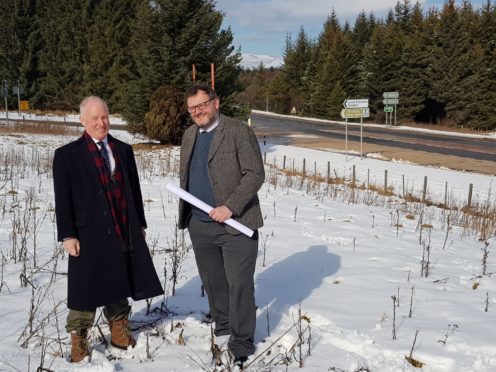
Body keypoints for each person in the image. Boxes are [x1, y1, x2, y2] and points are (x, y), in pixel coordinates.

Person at [53, 96, 163, 363]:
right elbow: (62, 199)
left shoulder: (123, 150)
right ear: (82, 121)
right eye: (94, 118)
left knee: (119, 276)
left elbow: (134, 191)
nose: (101, 123)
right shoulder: (67, 155)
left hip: (121, 224)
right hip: (86, 232)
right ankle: (79, 338)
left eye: (104, 117)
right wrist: (68, 234)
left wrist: (140, 225)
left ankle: (119, 330)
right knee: (84, 285)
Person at [178, 82, 265, 368]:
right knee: (213, 282)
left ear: (216, 103)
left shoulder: (239, 131)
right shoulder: (190, 135)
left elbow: (255, 174)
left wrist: (230, 206)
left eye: (202, 105)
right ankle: (224, 325)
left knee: (239, 284)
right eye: (192, 108)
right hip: (200, 224)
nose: (198, 111)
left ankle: (241, 342)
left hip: (236, 225)